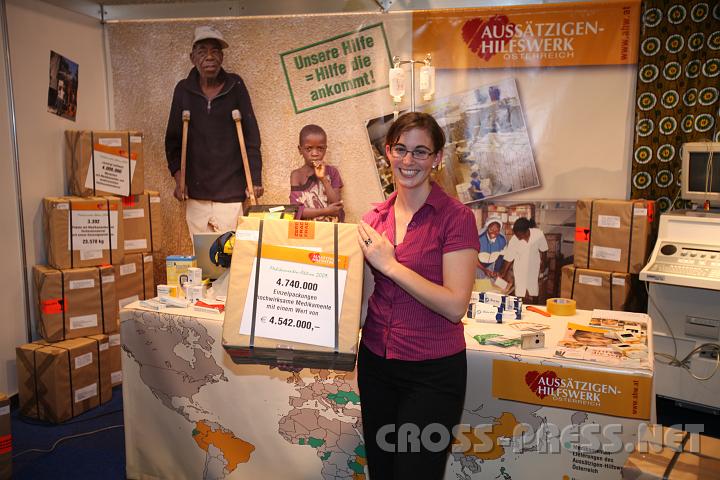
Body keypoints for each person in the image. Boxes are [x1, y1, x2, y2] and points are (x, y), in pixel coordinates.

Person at [356, 112, 479, 479]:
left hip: (431, 375)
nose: (409, 161)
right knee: (382, 472)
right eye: (401, 149)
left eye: (421, 152)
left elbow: (456, 305)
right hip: (376, 366)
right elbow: (361, 308)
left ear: (437, 158)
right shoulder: (373, 220)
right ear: (388, 153)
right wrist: (301, 343)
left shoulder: (455, 218)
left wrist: (391, 265)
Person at [165, 25, 263, 235]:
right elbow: (173, 142)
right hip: (196, 193)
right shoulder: (183, 90)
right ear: (192, 58)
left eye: (215, 51)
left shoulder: (235, 85)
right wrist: (179, 178)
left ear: (222, 57)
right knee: (200, 258)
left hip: (231, 191)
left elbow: (251, 138)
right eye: (202, 52)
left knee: (230, 255)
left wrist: (254, 180)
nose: (209, 57)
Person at [289, 124, 344, 222]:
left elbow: (336, 205)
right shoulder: (296, 175)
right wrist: (325, 211)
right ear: (300, 150)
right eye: (308, 149)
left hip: (333, 229)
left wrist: (323, 179)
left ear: (325, 149)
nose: (315, 154)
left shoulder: (332, 172)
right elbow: (297, 211)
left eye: (320, 148)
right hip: (311, 232)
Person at [498, 217, 548, 304]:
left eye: (519, 235)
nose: (517, 237)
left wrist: (543, 263)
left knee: (534, 290)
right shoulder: (514, 240)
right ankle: (519, 308)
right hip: (519, 268)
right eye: (516, 235)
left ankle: (535, 307)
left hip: (534, 266)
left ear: (527, 231)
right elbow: (509, 258)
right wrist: (503, 273)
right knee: (520, 291)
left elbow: (544, 250)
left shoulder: (538, 234)